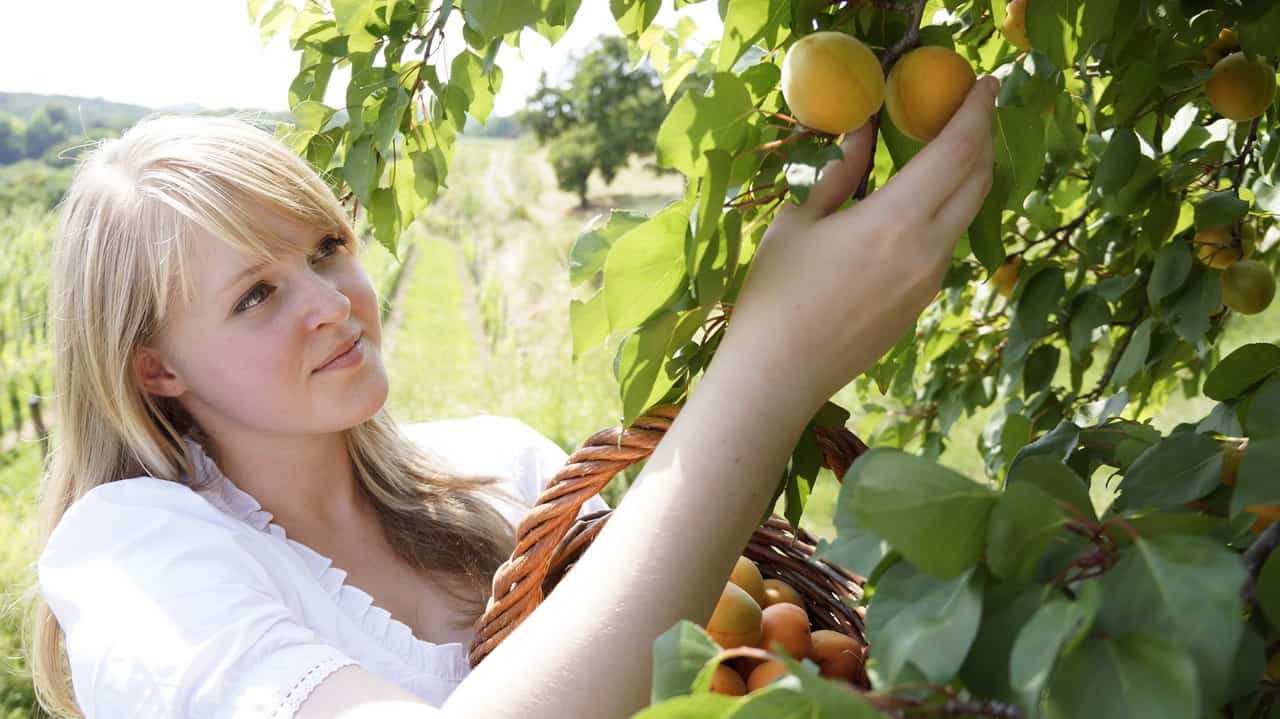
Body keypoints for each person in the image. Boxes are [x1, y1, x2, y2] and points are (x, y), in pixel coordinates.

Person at [23, 69, 998, 718]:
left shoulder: (508, 465)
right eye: (256, 294)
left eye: (325, 248)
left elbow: (704, 653)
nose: (332, 303)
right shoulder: (127, 553)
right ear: (157, 368)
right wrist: (769, 368)